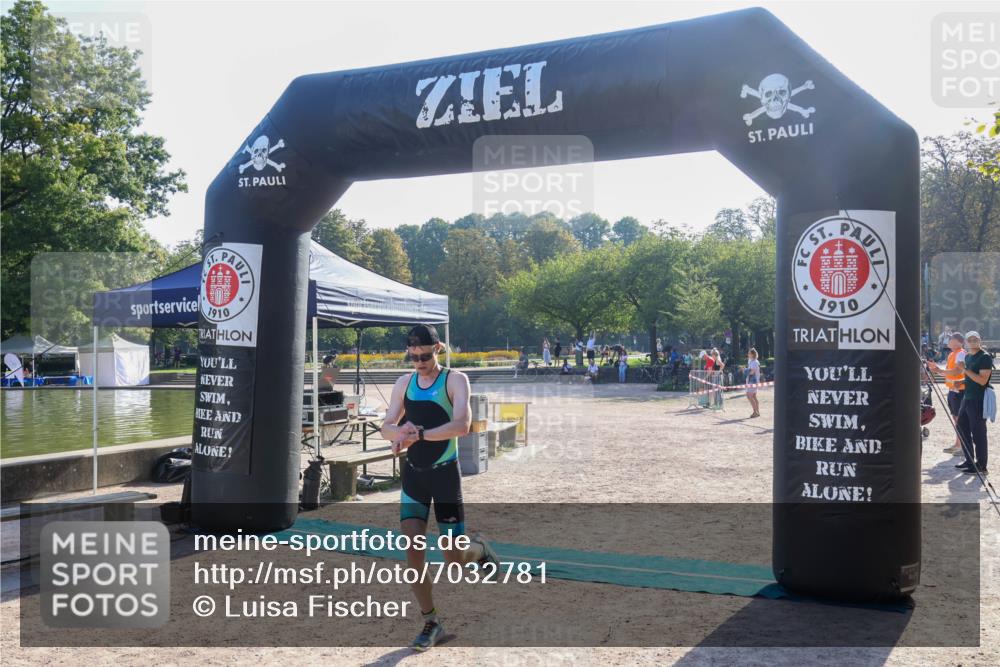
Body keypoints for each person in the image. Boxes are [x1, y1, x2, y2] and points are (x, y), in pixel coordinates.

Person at [380, 324, 499, 651]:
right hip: (414, 476)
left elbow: (462, 425)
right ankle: (431, 621)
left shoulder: (455, 380)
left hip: (445, 476)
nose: (420, 362)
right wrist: (398, 433)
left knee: (454, 560)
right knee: (412, 551)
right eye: (414, 356)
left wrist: (418, 434)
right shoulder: (404, 383)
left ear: (438, 349)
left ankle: (480, 550)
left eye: (425, 356)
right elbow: (385, 426)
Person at [955, 331, 993, 474]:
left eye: (975, 339)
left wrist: (964, 369)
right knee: (961, 427)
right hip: (967, 397)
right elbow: (972, 377)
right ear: (965, 342)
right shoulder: (968, 356)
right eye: (969, 340)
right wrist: (962, 381)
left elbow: (982, 380)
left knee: (978, 433)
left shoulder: (985, 357)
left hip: (978, 399)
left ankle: (982, 466)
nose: (972, 341)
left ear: (980, 340)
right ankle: (970, 461)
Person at [926, 332, 966, 454]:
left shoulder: (961, 353)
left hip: (960, 390)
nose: (948, 341)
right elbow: (948, 372)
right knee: (956, 418)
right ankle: (958, 444)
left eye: (950, 339)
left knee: (960, 419)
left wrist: (939, 370)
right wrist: (936, 369)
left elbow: (957, 371)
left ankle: (962, 446)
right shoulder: (952, 354)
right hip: (953, 390)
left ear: (957, 342)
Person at [745, 347, 762, 418]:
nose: (748, 354)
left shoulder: (754, 362)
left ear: (752, 354)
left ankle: (755, 412)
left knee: (749, 395)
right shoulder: (751, 361)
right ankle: (757, 411)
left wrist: (745, 371)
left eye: (749, 353)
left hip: (753, 381)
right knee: (753, 396)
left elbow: (752, 372)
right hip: (752, 381)